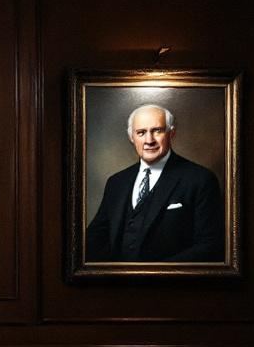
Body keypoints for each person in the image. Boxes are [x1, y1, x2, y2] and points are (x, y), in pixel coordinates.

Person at [86, 104, 224, 263]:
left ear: (171, 133)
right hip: (118, 284)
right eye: (141, 132)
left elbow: (210, 245)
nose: (149, 140)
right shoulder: (116, 182)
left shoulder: (200, 179)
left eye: (157, 130)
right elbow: (95, 238)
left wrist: (155, 274)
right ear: (132, 137)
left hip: (170, 285)